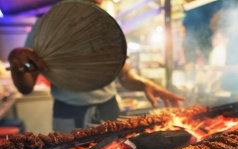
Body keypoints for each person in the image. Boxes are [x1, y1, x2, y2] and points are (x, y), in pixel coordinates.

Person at [8, 0, 185, 132]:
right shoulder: (46, 25)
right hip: (69, 112)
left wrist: (145, 85)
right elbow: (26, 87)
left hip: (108, 108)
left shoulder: (105, 26)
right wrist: (15, 61)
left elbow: (124, 76)